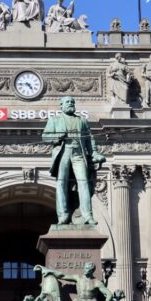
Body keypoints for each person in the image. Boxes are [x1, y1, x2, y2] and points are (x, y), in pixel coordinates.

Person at [41, 96, 105, 225]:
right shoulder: (54, 119)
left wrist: (94, 153)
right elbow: (45, 136)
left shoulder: (81, 120)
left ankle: (87, 215)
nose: (70, 104)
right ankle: (63, 215)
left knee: (83, 182)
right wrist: (58, 136)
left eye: (72, 102)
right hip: (63, 153)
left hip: (78, 154)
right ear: (61, 106)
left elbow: (89, 139)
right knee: (61, 183)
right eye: (67, 102)